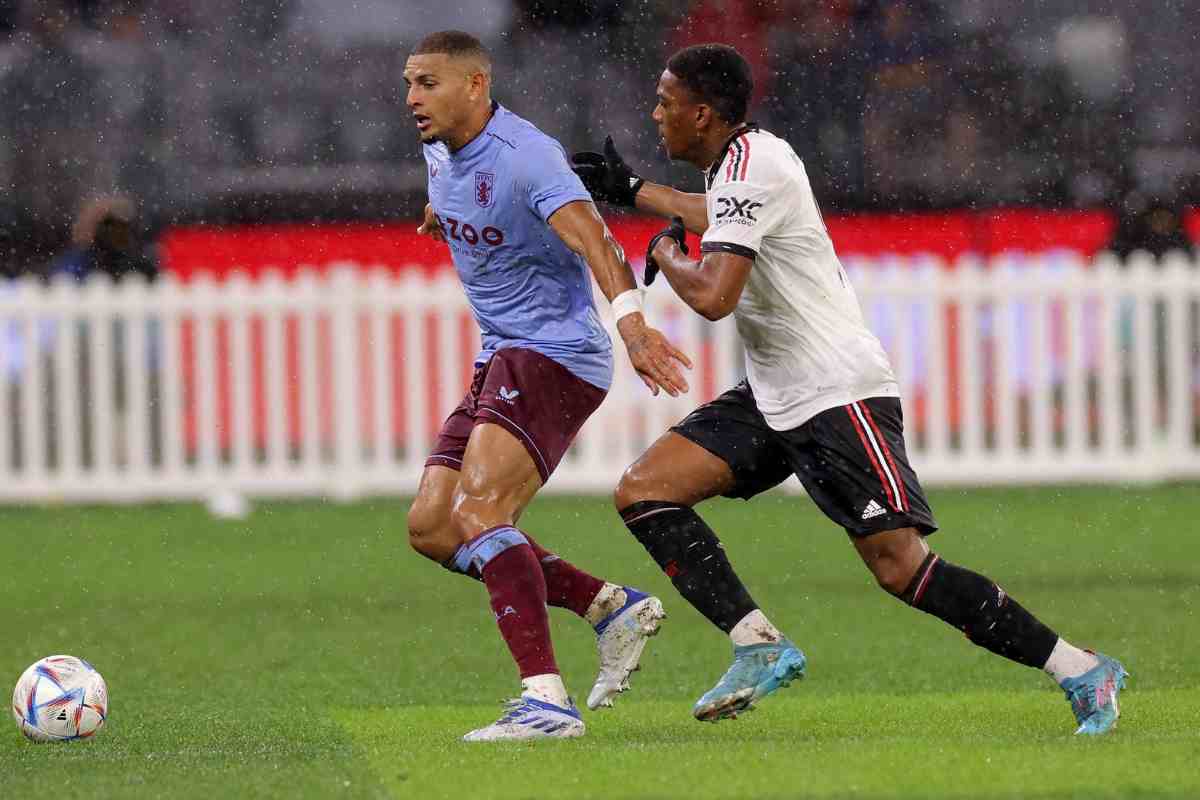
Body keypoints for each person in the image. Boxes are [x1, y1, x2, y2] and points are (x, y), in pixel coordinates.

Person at [572, 43, 1128, 734]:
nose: (655, 114)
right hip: (775, 392)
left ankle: (1080, 669)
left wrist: (661, 252)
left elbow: (714, 296)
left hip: (837, 392)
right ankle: (756, 643)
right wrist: (631, 191)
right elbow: (712, 210)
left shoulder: (755, 163)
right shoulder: (742, 164)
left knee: (901, 568)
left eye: (665, 102)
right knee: (645, 490)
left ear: (703, 113)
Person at [403, 30, 692, 742]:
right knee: (434, 528)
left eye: (428, 83)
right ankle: (607, 606)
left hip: (556, 353)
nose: (412, 98)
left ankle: (546, 702)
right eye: (409, 83)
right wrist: (444, 216)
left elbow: (598, 241)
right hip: (502, 353)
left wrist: (634, 328)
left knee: (480, 511)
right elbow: (461, 195)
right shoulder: (439, 149)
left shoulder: (527, 157)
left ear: (475, 85)